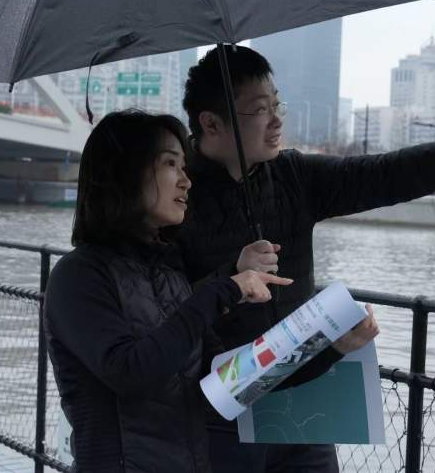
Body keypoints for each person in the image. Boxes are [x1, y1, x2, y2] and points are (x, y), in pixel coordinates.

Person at [178, 45, 435, 473]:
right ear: (211, 123)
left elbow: (385, 174)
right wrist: (231, 277)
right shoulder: (175, 195)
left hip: (304, 409)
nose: (276, 120)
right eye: (259, 110)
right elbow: (159, 312)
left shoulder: (293, 177)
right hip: (220, 419)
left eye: (277, 105)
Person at [43, 110, 292, 472]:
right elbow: (129, 372)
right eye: (171, 164)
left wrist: (317, 341)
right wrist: (222, 291)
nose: (186, 181)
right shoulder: (79, 276)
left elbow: (222, 385)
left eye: (184, 167)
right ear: (126, 173)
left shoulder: (170, 274)